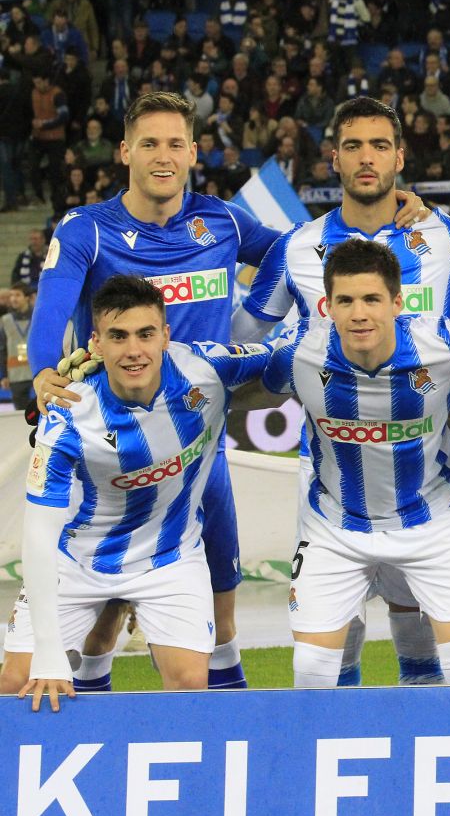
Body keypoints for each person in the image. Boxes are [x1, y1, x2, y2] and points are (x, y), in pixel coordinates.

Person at [27, 91, 428, 693]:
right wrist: (41, 373)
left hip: (196, 429)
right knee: (101, 610)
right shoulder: (87, 228)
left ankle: (227, 701)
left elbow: (307, 255)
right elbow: (49, 312)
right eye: (148, 144)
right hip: (110, 437)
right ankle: (93, 700)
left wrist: (395, 212)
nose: (162, 157)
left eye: (174, 144)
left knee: (220, 588)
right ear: (124, 152)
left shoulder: (221, 221)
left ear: (193, 151)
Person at [233, 96, 450, 687]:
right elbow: (247, 339)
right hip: (330, 476)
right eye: (352, 146)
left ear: (400, 156)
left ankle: (419, 736)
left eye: (379, 145)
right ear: (333, 161)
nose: (366, 158)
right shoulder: (294, 249)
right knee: (331, 635)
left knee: (414, 611)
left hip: (424, 466)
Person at [0, 275, 273, 710]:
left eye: (146, 334)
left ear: (165, 336)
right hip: (78, 560)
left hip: (170, 557)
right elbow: (37, 534)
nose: (133, 350)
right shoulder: (68, 412)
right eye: (118, 336)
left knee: (188, 686)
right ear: (97, 343)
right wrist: (49, 653)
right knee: (15, 685)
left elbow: (289, 359)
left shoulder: (206, 369)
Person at [261, 239, 450, 688]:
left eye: (372, 299)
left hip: (433, 524)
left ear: (397, 302)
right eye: (346, 301)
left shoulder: (444, 344)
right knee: (312, 674)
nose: (359, 314)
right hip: (335, 527)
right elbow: (232, 384)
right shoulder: (296, 351)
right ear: (327, 306)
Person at [0, 283, 35, 410]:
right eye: (11, 295)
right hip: (16, 376)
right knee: (21, 415)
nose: (13, 298)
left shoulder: (38, 317)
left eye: (17, 295)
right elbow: (2, 350)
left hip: (38, 371)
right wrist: (3, 375)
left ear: (27, 297)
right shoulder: (5, 320)